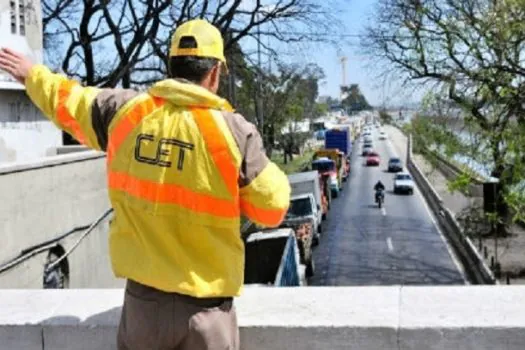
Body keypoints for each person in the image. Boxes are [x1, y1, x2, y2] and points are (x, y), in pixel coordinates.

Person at [0, 19, 291, 350]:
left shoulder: (125, 112)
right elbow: (273, 208)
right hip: (206, 313)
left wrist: (30, 73)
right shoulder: (235, 133)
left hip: (142, 309)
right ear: (214, 74)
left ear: (171, 66)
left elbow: (69, 100)